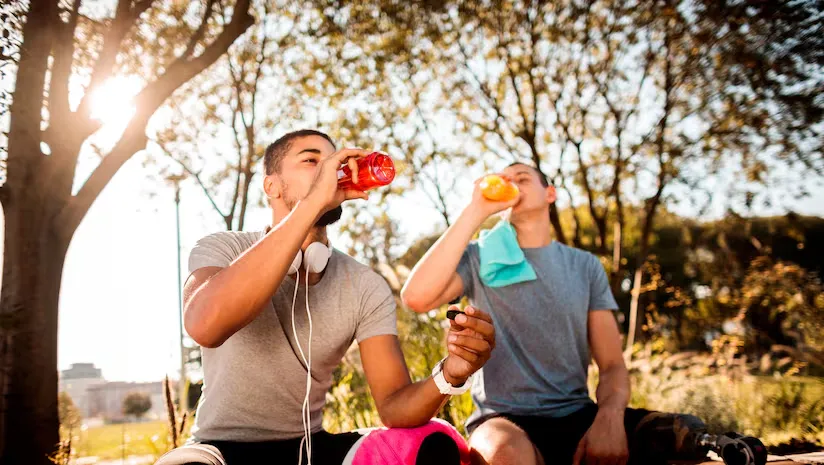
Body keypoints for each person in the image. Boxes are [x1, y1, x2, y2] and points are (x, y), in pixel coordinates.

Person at [155, 129, 496, 465]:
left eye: (332, 159)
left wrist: (450, 373)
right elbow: (204, 325)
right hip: (220, 448)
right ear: (271, 185)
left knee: (431, 443)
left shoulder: (363, 283)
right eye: (311, 160)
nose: (329, 169)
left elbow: (394, 407)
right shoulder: (223, 248)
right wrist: (312, 202)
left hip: (312, 448)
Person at [401, 162, 713, 465]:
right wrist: (476, 211)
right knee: (502, 454)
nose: (511, 184)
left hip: (579, 415)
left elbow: (612, 364)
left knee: (681, 437)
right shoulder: (480, 256)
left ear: (549, 193)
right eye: (504, 179)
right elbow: (415, 297)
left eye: (522, 178)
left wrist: (609, 417)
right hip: (502, 420)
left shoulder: (585, 266)